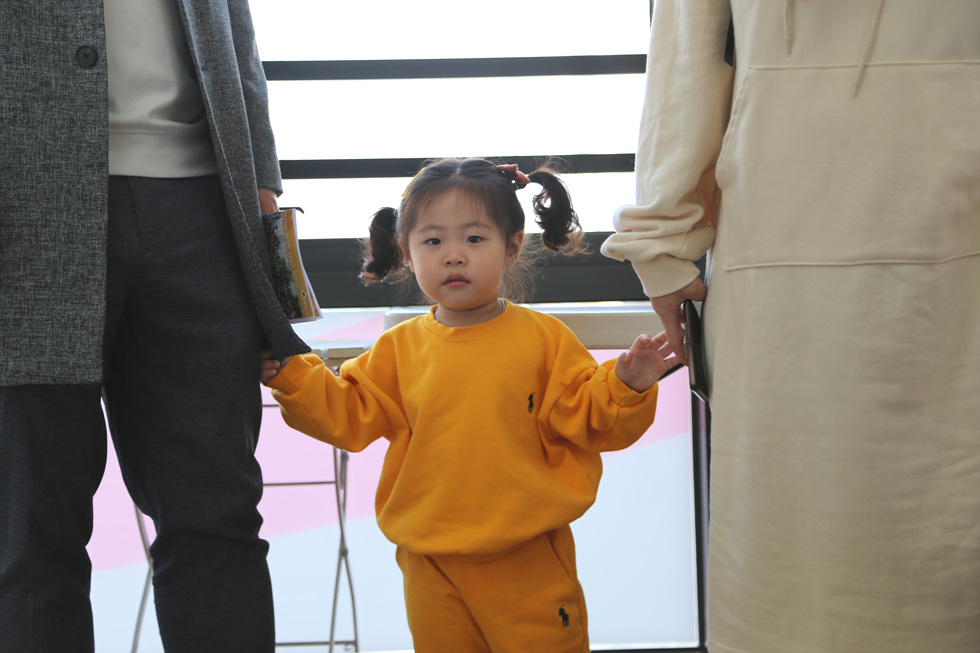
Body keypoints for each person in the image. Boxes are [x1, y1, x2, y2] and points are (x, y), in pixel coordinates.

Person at [602, 2, 980, 652]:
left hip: (838, 228)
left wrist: (661, 243)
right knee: (801, 556)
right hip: (782, 239)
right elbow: (688, 42)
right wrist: (658, 242)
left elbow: (685, 55)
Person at [261, 158, 676, 653]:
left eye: (475, 239)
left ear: (512, 247)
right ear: (407, 253)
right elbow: (346, 415)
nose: (454, 256)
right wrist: (289, 372)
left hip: (527, 555)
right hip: (429, 560)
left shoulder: (543, 340)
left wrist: (627, 384)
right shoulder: (397, 350)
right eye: (433, 241)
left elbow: (588, 419)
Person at [0, 0, 310, 650]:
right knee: (30, 527)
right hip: (24, 198)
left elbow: (235, 32)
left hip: (203, 203)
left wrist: (260, 193)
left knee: (218, 513)